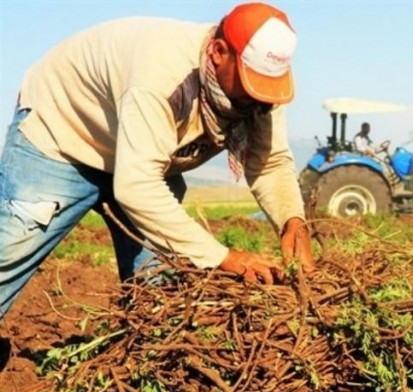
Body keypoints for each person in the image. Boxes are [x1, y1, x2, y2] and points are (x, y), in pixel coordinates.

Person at [0, 2, 315, 319]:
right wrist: (223, 256)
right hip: (63, 135)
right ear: (219, 52)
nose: (258, 99)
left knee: (159, 297)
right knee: (9, 252)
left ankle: (140, 362)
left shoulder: (261, 91)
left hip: (141, 159)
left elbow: (270, 162)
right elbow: (137, 186)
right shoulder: (162, 74)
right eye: (250, 85)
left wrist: (293, 221)